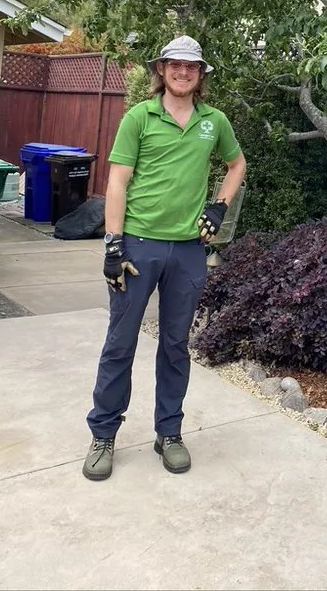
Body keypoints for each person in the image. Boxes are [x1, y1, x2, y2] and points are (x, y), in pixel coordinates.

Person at [82, 35, 246, 481]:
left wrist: (219, 205)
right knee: (121, 343)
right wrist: (112, 244)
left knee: (175, 346)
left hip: (189, 252)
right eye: (174, 65)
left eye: (190, 67)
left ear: (200, 75)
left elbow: (236, 165)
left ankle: (168, 432)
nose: (182, 72)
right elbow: (117, 182)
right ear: (161, 70)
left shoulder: (215, 122)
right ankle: (103, 435)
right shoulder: (140, 117)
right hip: (138, 246)